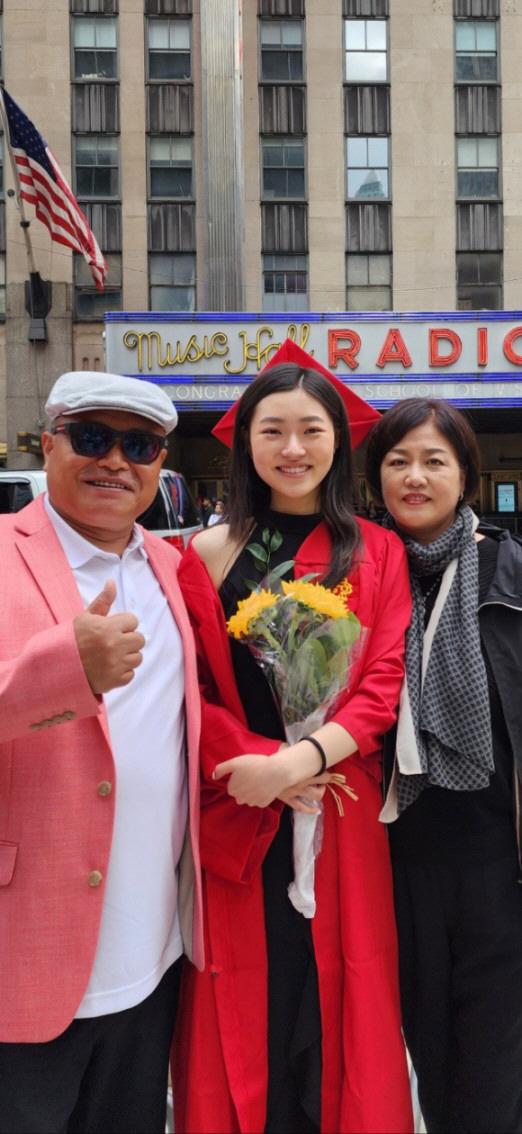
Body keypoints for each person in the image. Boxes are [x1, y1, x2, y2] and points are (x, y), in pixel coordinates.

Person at [172, 339, 414, 1134]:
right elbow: (187, 692)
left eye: (311, 429)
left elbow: (382, 684)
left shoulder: (376, 552)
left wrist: (303, 760)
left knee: (341, 998)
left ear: (339, 441)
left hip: (339, 805)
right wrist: (257, 766)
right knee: (254, 999)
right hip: (242, 804)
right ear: (245, 442)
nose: (292, 448)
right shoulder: (205, 554)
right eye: (272, 429)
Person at [0, 371, 203, 1134]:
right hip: (23, 964)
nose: (116, 461)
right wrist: (63, 672)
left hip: (150, 963)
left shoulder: (173, 569)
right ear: (49, 445)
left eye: (139, 445)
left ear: (160, 465)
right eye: (92, 438)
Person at [365, 397, 522, 1134]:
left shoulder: (517, 576)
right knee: (432, 1068)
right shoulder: (357, 578)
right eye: (398, 460)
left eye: (434, 460)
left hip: (503, 874)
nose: (415, 476)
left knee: (497, 1085)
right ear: (374, 478)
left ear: (465, 474)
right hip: (395, 871)